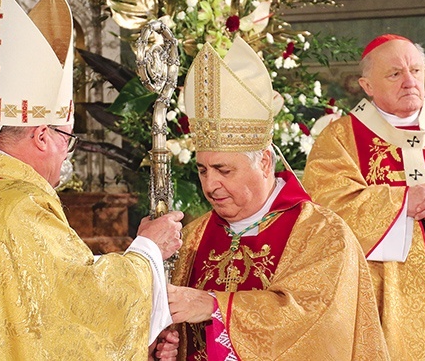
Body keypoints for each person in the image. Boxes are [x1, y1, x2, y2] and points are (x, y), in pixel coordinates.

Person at [0, 0, 183, 360]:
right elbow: (81, 308)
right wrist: (148, 249)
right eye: (67, 138)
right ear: (42, 135)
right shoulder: (20, 204)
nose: (67, 154)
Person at [167, 37, 390, 360]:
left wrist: (215, 306)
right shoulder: (194, 236)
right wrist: (171, 346)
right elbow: (181, 326)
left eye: (223, 170)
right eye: (202, 170)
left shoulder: (322, 234)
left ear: (265, 163)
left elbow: (316, 325)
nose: (210, 185)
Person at [303, 34, 425, 360]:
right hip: (385, 291)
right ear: (367, 85)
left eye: (416, 71)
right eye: (395, 74)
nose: (410, 81)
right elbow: (325, 208)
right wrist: (402, 203)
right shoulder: (340, 139)